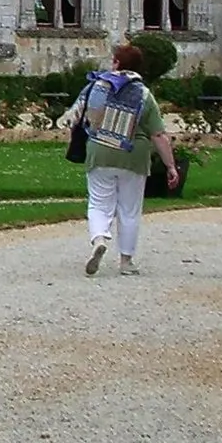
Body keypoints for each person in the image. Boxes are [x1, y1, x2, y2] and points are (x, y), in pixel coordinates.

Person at [66, 42, 179, 277]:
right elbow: (158, 134)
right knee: (129, 209)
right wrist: (170, 166)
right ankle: (126, 261)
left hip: (100, 151)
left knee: (98, 203)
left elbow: (75, 118)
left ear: (117, 63)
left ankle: (99, 239)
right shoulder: (144, 94)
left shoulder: (96, 86)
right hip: (134, 155)